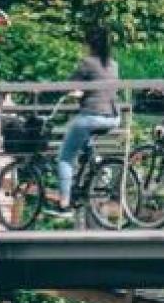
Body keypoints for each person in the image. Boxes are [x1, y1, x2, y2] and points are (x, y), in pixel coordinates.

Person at [52, 27, 121, 217]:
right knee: (86, 144)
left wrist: (52, 91)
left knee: (65, 157)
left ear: (89, 44)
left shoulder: (87, 63)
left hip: (92, 116)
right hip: (113, 117)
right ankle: (99, 174)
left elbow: (69, 85)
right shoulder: (113, 65)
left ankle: (64, 204)